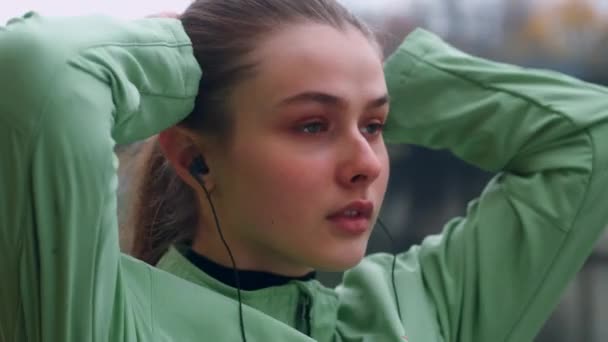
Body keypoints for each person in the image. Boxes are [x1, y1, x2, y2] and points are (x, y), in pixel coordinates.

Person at [1, 0, 607, 341]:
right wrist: (187, 64)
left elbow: (590, 139)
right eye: (312, 126)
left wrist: (388, 84)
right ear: (195, 157)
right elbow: (40, 71)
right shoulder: (97, 316)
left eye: (374, 127)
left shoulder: (421, 316)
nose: (366, 164)